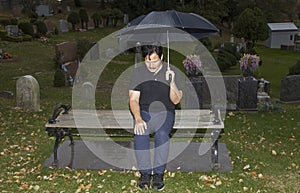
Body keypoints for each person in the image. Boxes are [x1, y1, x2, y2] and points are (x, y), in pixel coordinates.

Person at [129, 44, 183, 191]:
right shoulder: (138, 73)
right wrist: (138, 119)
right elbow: (133, 99)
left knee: (162, 134)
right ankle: (145, 173)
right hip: (145, 113)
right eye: (147, 61)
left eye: (154, 60)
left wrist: (171, 81)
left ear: (162, 58)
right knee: (140, 132)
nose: (151, 65)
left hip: (165, 113)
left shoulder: (171, 72)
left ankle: (158, 174)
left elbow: (176, 100)